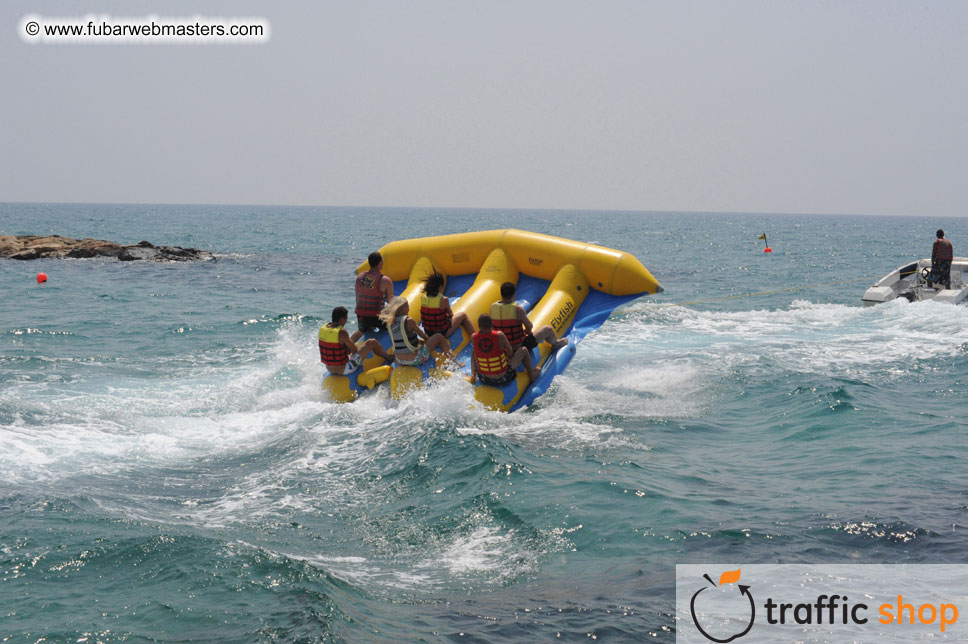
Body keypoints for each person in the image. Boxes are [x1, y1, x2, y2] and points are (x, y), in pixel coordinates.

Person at [490, 282, 569, 354]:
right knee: (547, 329)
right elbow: (529, 326)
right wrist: (527, 331)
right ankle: (555, 344)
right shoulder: (518, 309)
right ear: (513, 294)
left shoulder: (493, 307)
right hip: (519, 347)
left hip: (502, 347)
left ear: (501, 294)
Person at [379, 296, 456, 367]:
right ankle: (453, 362)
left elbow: (403, 340)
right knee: (439, 336)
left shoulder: (390, 323)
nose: (409, 309)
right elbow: (423, 336)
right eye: (407, 306)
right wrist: (429, 342)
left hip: (400, 360)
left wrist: (418, 341)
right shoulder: (409, 321)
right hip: (415, 359)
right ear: (403, 309)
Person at [319, 306, 393, 376]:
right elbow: (354, 350)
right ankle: (388, 357)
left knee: (347, 344)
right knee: (371, 342)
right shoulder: (341, 332)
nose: (346, 321)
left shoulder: (323, 329)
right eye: (346, 318)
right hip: (345, 369)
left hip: (329, 369)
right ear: (342, 319)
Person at [470, 314, 540, 386]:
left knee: (474, 351)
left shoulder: (473, 337)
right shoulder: (499, 335)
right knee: (523, 350)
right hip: (502, 379)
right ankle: (532, 376)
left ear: (479, 326)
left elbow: (477, 354)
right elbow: (510, 352)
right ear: (492, 324)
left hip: (484, 378)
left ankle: (473, 375)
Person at [352, 251, 395, 341]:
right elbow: (392, 302)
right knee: (397, 325)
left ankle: (346, 347)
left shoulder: (360, 276)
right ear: (380, 263)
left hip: (361, 317)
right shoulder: (384, 280)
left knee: (361, 331)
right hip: (377, 318)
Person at [419, 271, 474, 339]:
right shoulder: (443, 299)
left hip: (428, 332)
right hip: (443, 332)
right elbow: (451, 314)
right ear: (439, 287)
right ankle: (474, 337)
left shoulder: (423, 298)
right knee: (463, 315)